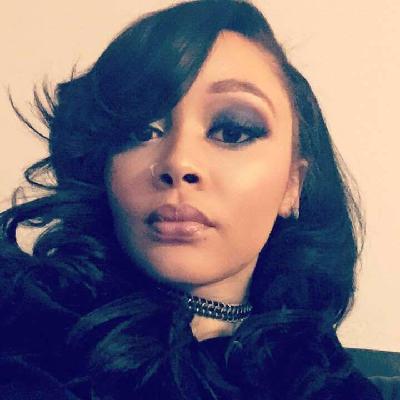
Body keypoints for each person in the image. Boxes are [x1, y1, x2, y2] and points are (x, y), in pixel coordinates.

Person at [0, 0, 384, 399]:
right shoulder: (26, 330)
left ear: (292, 185)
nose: (178, 161)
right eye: (141, 131)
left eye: (232, 131)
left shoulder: (328, 380)